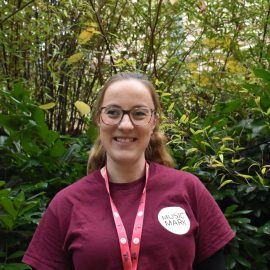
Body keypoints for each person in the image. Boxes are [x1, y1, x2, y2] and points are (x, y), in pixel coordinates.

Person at [22, 72, 235, 270]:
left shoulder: (189, 190)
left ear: (154, 121)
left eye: (139, 113)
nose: (125, 124)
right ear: (99, 119)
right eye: (113, 112)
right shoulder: (66, 204)